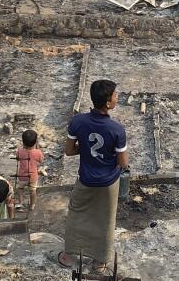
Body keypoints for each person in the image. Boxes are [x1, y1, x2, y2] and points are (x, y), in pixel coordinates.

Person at [59, 79, 128, 271]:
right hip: (108, 183)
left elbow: (69, 151)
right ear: (107, 103)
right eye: (115, 95)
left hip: (85, 180)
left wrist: (87, 148)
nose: (117, 97)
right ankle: (100, 261)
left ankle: (69, 255)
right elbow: (123, 163)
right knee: (105, 219)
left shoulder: (78, 122)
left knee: (76, 213)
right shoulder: (117, 130)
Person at [16, 129, 44, 212]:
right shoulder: (38, 152)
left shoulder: (19, 151)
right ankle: (32, 206)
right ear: (35, 142)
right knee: (32, 191)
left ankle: (21, 203)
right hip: (33, 177)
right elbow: (41, 160)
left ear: (23, 142)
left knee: (20, 189)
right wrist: (37, 148)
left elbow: (17, 158)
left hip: (22, 176)